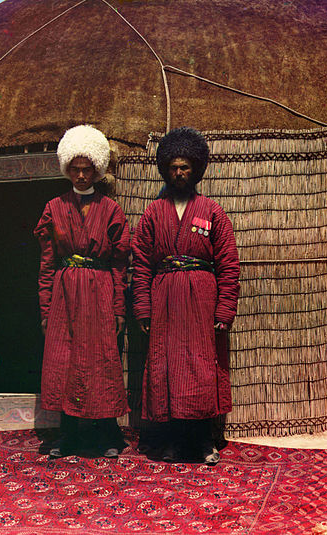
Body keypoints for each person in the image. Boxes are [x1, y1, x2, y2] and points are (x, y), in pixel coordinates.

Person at [131, 127, 240, 465]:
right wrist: (143, 309)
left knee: (200, 369)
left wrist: (223, 311)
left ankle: (204, 443)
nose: (179, 173)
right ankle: (175, 444)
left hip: (201, 302)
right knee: (169, 369)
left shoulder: (212, 212)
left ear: (196, 170)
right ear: (165, 169)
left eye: (185, 167)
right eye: (173, 168)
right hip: (164, 302)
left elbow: (228, 265)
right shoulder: (152, 214)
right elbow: (141, 267)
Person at [34, 125, 130, 458]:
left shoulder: (111, 210)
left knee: (101, 360)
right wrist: (45, 308)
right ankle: (68, 435)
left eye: (86, 169)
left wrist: (119, 308)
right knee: (64, 360)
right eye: (74, 169)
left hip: (100, 291)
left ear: (97, 170)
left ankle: (106, 436)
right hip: (64, 293)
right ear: (66, 170)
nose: (80, 175)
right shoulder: (54, 208)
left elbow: (119, 265)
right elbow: (47, 264)